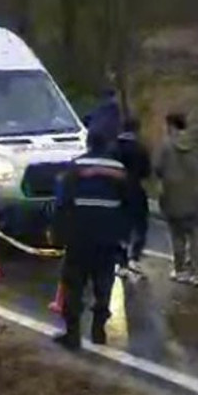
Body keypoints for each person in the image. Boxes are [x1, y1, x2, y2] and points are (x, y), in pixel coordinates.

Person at [51, 129, 134, 350]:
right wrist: (125, 235)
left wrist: (59, 232)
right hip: (108, 236)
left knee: (74, 283)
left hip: (80, 235)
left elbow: (63, 202)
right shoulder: (119, 170)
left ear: (88, 144)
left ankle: (73, 334)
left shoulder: (76, 167)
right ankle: (99, 328)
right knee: (104, 282)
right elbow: (130, 204)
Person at [155, 112, 198, 286]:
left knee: (177, 236)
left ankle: (180, 270)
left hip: (173, 198)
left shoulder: (166, 147)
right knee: (197, 236)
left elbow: (158, 169)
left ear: (171, 126)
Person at [114, 117, 152, 279]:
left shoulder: (114, 148)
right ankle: (134, 257)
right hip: (135, 190)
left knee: (120, 228)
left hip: (116, 191)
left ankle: (121, 261)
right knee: (141, 225)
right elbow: (146, 172)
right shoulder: (140, 148)